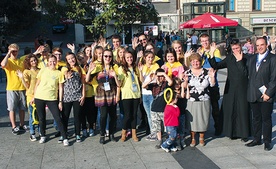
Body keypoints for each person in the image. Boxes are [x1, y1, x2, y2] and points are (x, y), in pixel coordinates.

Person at [208, 39, 251, 141]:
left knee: (242, 110)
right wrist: (211, 53)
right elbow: (216, 65)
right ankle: (232, 132)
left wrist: (240, 61)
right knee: (230, 109)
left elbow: (245, 73)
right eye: (233, 49)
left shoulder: (247, 58)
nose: (235, 50)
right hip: (230, 88)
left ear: (240, 47)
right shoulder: (229, 58)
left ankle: (244, 134)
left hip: (242, 87)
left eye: (237, 48)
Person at [245, 37, 276, 151]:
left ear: (267, 45)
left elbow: (274, 78)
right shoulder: (253, 58)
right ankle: (257, 139)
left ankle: (267, 141)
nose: (260, 47)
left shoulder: (272, 58)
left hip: (266, 95)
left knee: (266, 119)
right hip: (253, 93)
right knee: (256, 118)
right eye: (257, 45)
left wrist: (269, 93)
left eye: (262, 45)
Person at [34, 55, 68, 146]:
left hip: (52, 98)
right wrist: (34, 96)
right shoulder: (43, 70)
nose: (52, 63)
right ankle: (43, 135)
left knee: (57, 118)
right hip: (39, 97)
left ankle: (64, 137)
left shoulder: (59, 73)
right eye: (50, 61)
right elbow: (37, 84)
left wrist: (60, 101)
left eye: (54, 61)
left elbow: (61, 88)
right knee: (41, 118)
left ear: (56, 62)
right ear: (48, 62)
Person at [87, 49, 120, 144]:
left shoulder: (115, 67)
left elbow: (119, 84)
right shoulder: (98, 67)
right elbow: (88, 79)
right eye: (105, 56)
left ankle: (111, 133)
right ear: (102, 57)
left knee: (113, 116)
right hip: (101, 94)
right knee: (103, 115)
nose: (107, 58)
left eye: (109, 56)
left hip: (112, 94)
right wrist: (89, 70)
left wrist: (115, 76)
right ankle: (102, 134)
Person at [184, 53, 216, 147]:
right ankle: (193, 138)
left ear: (200, 62)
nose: (195, 63)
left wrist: (212, 77)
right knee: (192, 120)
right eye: (193, 61)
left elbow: (212, 85)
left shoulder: (207, 71)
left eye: (197, 61)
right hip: (191, 99)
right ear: (190, 62)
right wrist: (185, 81)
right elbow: (184, 87)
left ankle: (202, 137)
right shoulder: (187, 73)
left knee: (203, 119)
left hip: (204, 99)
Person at [197, 33, 222, 136]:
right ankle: (202, 128)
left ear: (210, 40)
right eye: (202, 41)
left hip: (212, 83)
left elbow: (216, 65)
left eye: (206, 41)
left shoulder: (215, 50)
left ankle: (218, 127)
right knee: (202, 107)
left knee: (215, 107)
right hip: (202, 84)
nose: (204, 43)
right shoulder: (200, 51)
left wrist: (210, 54)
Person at [142, 68, 173, 148]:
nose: (160, 78)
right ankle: (160, 140)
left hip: (164, 109)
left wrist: (164, 74)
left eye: (161, 76)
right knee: (157, 126)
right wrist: (151, 79)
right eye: (158, 76)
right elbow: (144, 86)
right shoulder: (153, 85)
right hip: (154, 109)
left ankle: (169, 140)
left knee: (167, 126)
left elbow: (171, 82)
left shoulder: (165, 84)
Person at [1, 43, 27, 135]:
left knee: (22, 107)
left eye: (16, 51)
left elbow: (31, 57)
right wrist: (8, 54)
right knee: (12, 108)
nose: (14, 53)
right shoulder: (8, 61)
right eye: (13, 51)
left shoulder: (21, 61)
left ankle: (22, 124)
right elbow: (3, 64)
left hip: (22, 88)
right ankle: (13, 126)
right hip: (12, 88)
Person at [60, 52, 86, 143]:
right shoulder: (64, 68)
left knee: (77, 116)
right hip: (67, 96)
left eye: (72, 58)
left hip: (77, 96)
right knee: (65, 116)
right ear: (67, 61)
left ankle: (78, 134)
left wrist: (83, 96)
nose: (71, 60)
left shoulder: (80, 69)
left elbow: (83, 83)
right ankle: (64, 134)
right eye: (69, 59)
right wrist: (66, 75)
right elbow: (64, 76)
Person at [118, 51, 141, 142]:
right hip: (126, 94)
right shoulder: (121, 68)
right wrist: (117, 95)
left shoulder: (136, 67)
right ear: (124, 59)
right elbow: (119, 83)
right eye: (127, 58)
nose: (129, 59)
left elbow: (139, 80)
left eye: (131, 57)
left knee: (134, 114)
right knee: (127, 115)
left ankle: (134, 133)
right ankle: (123, 133)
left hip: (136, 94)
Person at [17, 54, 40, 141]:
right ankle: (32, 132)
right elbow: (27, 86)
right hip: (31, 95)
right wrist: (22, 78)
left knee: (40, 115)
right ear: (29, 63)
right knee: (32, 115)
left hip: (40, 95)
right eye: (32, 61)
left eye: (35, 60)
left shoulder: (40, 70)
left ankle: (40, 131)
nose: (34, 62)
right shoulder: (27, 72)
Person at [138, 51, 160, 139]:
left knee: (153, 114)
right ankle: (152, 131)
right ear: (145, 58)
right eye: (148, 57)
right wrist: (140, 71)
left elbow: (155, 79)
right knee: (148, 114)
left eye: (152, 57)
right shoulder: (142, 67)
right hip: (144, 93)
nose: (150, 59)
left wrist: (147, 82)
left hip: (152, 92)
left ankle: (155, 132)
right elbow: (141, 80)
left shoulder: (156, 66)